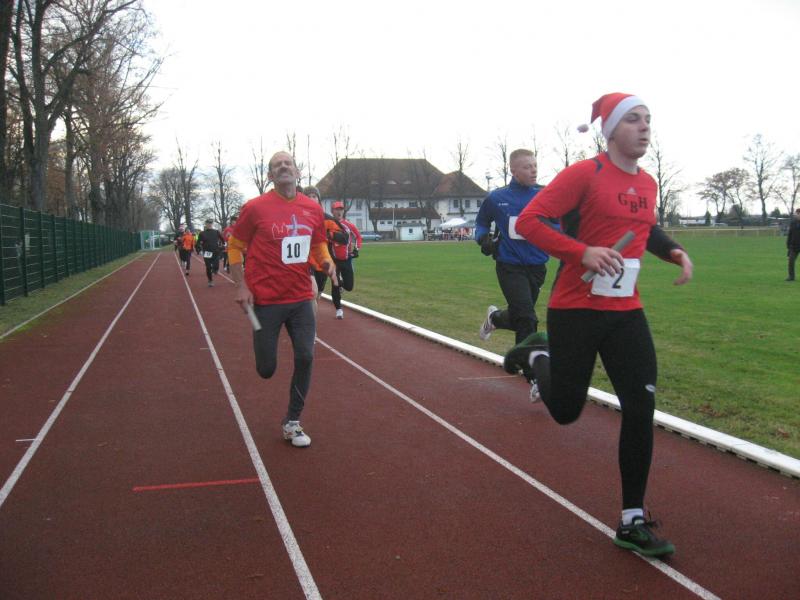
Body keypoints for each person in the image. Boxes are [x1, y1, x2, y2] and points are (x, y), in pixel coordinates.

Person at [504, 93, 693, 557]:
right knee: (567, 411)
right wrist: (581, 252)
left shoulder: (647, 183)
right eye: (633, 120)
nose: (644, 127)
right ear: (609, 130)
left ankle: (632, 520)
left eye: (648, 119)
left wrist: (673, 251)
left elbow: (645, 228)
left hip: (626, 312)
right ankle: (537, 354)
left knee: (640, 406)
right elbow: (529, 222)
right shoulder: (583, 175)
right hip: (576, 309)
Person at [227, 151, 336, 448]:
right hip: (266, 300)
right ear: (270, 176)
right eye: (277, 165)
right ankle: (264, 354)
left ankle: (292, 422)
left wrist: (326, 262)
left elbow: (318, 244)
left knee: (306, 356)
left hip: (301, 297)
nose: (284, 167)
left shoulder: (312, 209)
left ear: (298, 172)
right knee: (266, 369)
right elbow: (235, 247)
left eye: (288, 163)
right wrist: (241, 286)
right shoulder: (254, 208)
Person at [475, 149, 552, 348]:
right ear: (514, 171)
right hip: (509, 266)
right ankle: (527, 364)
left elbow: (559, 224)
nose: (533, 170)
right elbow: (481, 222)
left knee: (521, 316)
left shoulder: (546, 196)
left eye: (535, 166)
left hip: (537, 267)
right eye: (527, 167)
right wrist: (483, 238)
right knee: (527, 318)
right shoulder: (496, 198)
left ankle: (494, 318)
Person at [327, 200, 362, 319]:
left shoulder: (348, 225)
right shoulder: (328, 225)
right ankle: (338, 310)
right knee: (335, 285)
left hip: (347, 260)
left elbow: (358, 236)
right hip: (334, 261)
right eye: (336, 209)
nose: (339, 212)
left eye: (341, 209)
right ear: (332, 211)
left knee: (349, 286)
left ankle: (341, 283)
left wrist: (356, 249)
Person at [302, 186, 330, 299]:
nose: (311, 199)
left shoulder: (326, 218)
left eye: (314, 196)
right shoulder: (299, 215)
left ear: (318, 199)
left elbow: (342, 235)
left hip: (322, 258)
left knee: (318, 292)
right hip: (306, 259)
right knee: (311, 291)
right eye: (308, 196)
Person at [196, 219, 226, 287]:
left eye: (210, 223)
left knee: (216, 266)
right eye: (208, 223)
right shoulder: (202, 233)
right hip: (207, 252)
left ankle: (215, 270)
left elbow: (222, 239)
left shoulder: (216, 232)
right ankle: (210, 280)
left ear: (212, 224)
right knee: (208, 267)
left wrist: (224, 245)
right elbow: (198, 243)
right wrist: (200, 249)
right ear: (206, 224)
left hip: (215, 251)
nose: (209, 225)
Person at [786, 208, 800, 281]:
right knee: (791, 261)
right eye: (796, 213)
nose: (796, 215)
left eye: (798, 214)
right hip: (794, 246)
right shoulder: (793, 222)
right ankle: (791, 277)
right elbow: (790, 234)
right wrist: (788, 244)